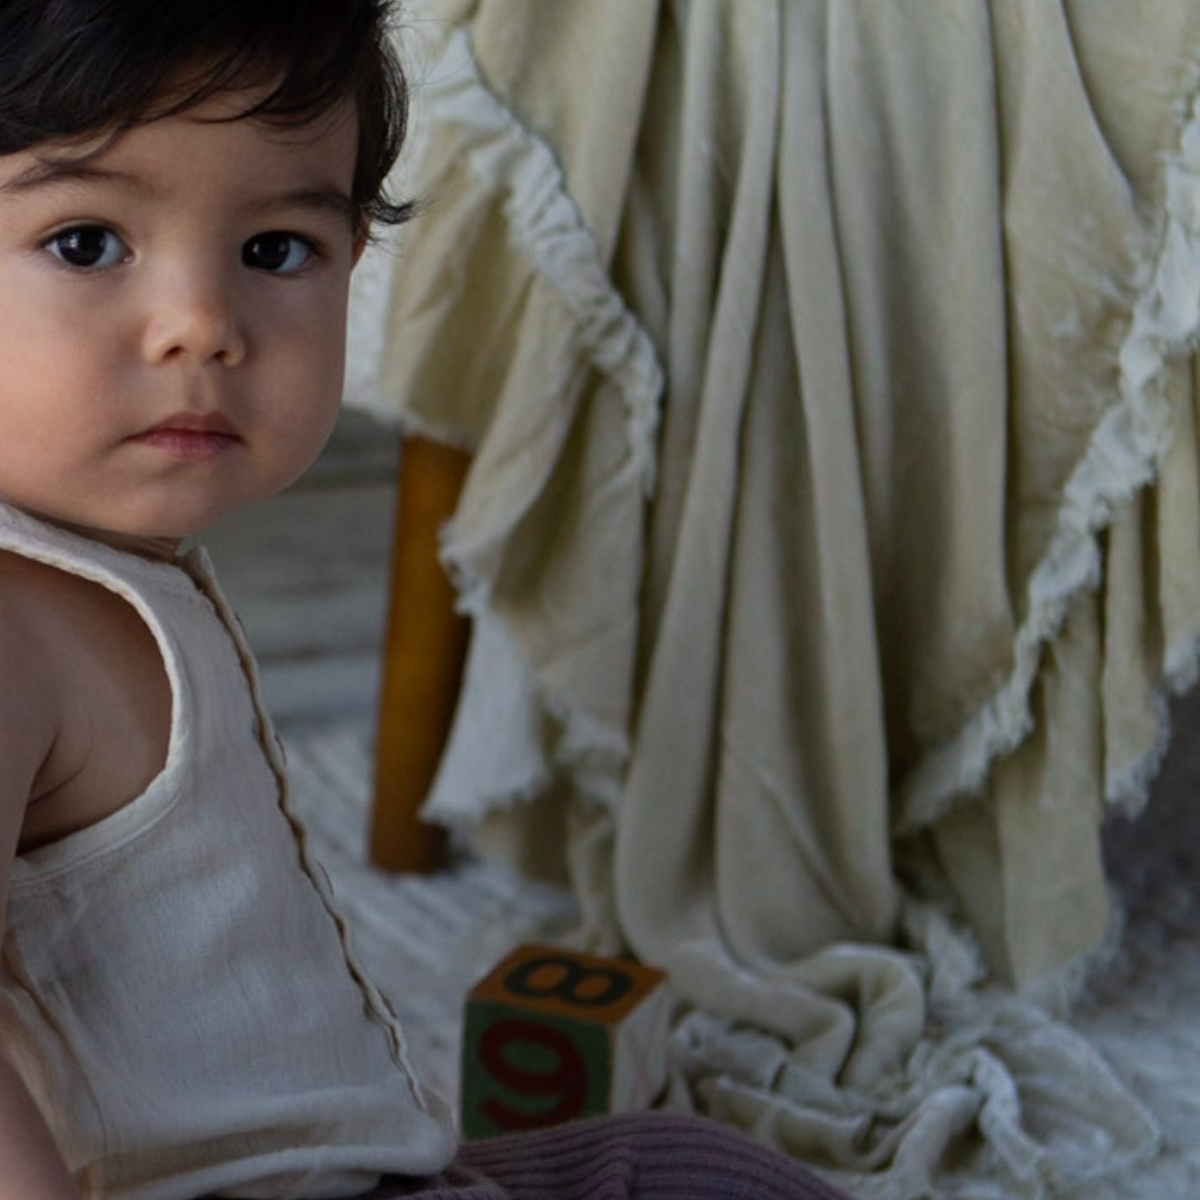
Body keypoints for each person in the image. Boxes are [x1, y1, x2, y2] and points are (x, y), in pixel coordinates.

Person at [0, 2, 851, 1198]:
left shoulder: (97, 570)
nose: (203, 325)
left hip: (349, 1163)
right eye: (87, 242)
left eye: (275, 250)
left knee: (687, 1164)